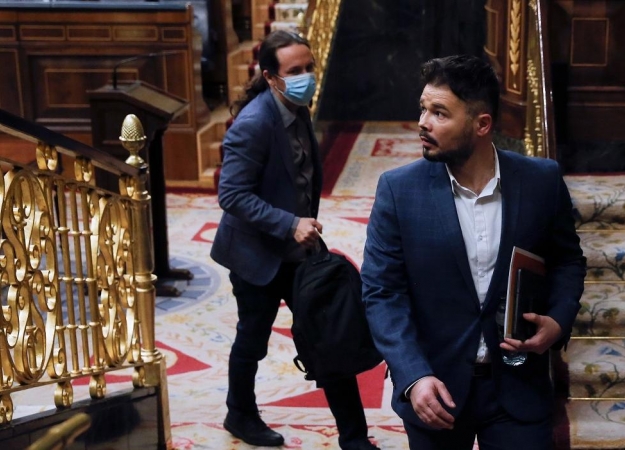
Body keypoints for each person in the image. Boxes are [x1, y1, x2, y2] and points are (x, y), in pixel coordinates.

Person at [361, 55, 587, 449]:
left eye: (439, 113)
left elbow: (568, 260)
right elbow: (382, 292)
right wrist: (413, 375)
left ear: (482, 124)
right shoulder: (399, 191)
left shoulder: (541, 181)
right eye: (423, 109)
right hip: (435, 390)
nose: (423, 123)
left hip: (518, 388)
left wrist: (558, 319)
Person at [211, 30, 378, 450]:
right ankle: (240, 413)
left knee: (329, 334)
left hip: (299, 251)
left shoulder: (298, 107)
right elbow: (231, 195)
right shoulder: (252, 124)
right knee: (253, 337)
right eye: (295, 71)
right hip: (257, 254)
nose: (306, 77)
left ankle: (354, 440)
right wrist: (289, 224)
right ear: (270, 77)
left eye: (309, 68)